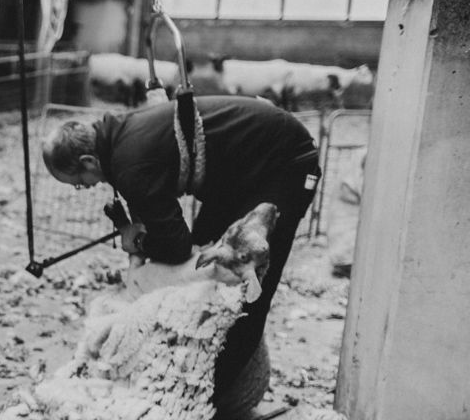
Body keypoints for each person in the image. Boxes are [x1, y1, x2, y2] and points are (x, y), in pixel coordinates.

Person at [42, 95, 320, 395]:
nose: (85, 188)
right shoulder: (119, 137)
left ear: (88, 161)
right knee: (199, 274)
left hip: (282, 164)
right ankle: (182, 381)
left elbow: (176, 246)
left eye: (80, 181)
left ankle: (211, 402)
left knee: (241, 292)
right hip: (240, 170)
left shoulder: (129, 165)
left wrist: (138, 241)